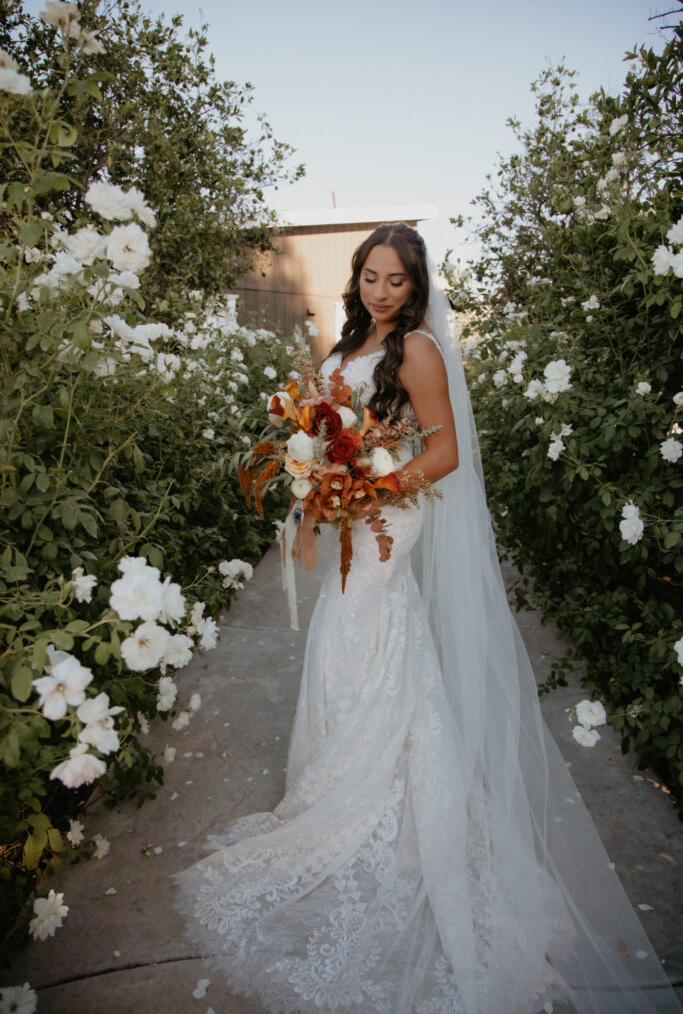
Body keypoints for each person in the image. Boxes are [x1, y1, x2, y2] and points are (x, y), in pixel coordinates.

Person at [175, 224, 681, 1014]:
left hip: (385, 519)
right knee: (346, 644)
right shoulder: (343, 344)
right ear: (358, 279)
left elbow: (441, 454)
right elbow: (319, 435)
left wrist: (368, 492)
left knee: (361, 634)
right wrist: (314, 498)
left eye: (395, 281)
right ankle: (341, 779)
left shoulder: (416, 351)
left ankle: (372, 800)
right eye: (370, 277)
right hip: (348, 516)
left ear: (415, 288)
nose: (381, 291)